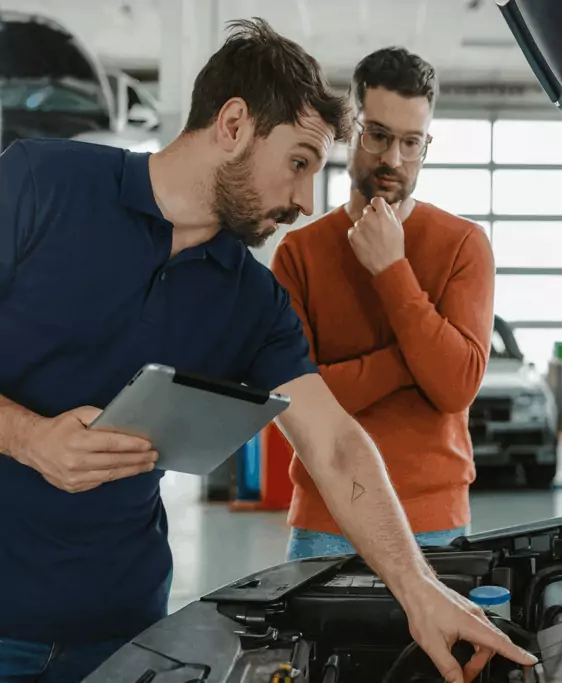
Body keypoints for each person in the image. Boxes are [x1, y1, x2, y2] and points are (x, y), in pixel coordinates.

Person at [0, 19, 532, 683]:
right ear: (232, 125)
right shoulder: (39, 184)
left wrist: (420, 589)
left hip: (126, 627)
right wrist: (28, 438)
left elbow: (335, 444)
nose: (307, 200)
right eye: (300, 163)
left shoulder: (253, 299)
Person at [271, 47, 495, 561]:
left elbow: (455, 386)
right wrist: (409, 359)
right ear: (351, 130)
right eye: (378, 136)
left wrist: (392, 271)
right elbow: (301, 405)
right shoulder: (299, 254)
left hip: (434, 526)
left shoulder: (464, 245)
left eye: (412, 142)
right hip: (326, 521)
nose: (393, 159)